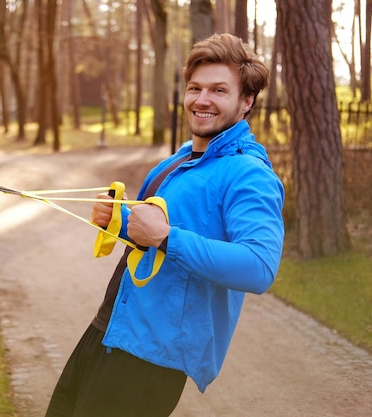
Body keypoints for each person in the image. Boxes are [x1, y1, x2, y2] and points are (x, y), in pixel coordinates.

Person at [44, 33, 285, 417]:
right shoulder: (177, 161)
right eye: (195, 88)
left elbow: (259, 267)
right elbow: (152, 229)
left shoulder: (249, 175)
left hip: (151, 358)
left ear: (246, 101)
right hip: (108, 328)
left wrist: (167, 238)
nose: (202, 99)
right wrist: (118, 220)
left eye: (219, 90)